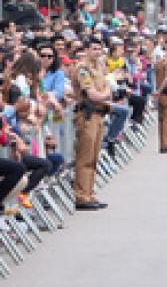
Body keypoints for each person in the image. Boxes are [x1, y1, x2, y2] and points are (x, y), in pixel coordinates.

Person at [73, 37, 111, 210]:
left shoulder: (100, 67)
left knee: (94, 157)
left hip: (99, 114)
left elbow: (108, 88)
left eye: (99, 48)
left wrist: (104, 94)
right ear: (87, 49)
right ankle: (81, 195)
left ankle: (89, 192)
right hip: (87, 115)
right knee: (85, 157)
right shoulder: (83, 68)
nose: (97, 52)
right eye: (94, 48)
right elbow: (93, 95)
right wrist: (104, 95)